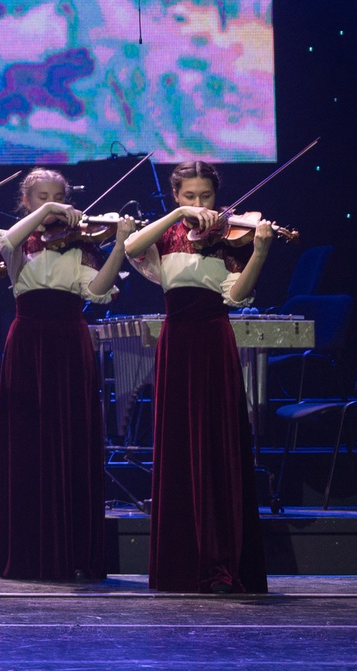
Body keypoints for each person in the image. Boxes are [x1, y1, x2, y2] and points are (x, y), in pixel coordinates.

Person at [125, 159, 276, 594]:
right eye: (188, 196)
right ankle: (181, 564)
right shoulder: (169, 233)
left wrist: (261, 251)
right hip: (177, 343)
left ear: (217, 196)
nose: (199, 204)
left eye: (205, 197)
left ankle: (223, 560)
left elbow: (237, 294)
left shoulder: (231, 237)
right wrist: (177, 215)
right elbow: (132, 246)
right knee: (178, 448)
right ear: (176, 196)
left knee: (218, 446)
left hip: (213, 341)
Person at [0, 168, 120, 583]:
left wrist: (118, 246)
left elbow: (98, 293)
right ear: (26, 203)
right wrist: (48, 208)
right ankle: (29, 555)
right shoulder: (17, 244)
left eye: (57, 197)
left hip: (69, 342)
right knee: (28, 443)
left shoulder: (81, 246)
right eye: (40, 197)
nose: (51, 205)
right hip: (28, 343)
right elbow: (7, 242)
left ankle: (75, 552)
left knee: (73, 441)